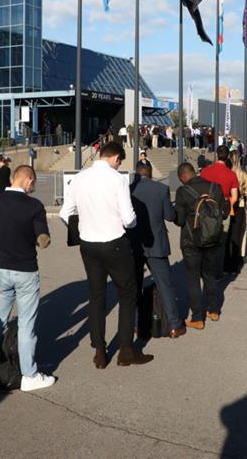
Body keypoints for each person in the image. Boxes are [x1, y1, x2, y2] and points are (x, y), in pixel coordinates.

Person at [59, 142, 153, 369]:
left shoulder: (79, 178)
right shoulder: (116, 179)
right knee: (127, 293)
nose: (118, 165)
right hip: (114, 243)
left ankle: (99, 350)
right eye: (119, 162)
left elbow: (65, 212)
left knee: (96, 296)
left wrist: (81, 230)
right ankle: (126, 350)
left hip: (88, 244)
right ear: (116, 158)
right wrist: (129, 223)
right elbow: (129, 219)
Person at [0, 165, 56, 391]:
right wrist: (36, 236)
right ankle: (29, 375)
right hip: (26, 270)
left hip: (2, 270)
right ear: (29, 180)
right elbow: (43, 239)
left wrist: (1, 237)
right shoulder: (34, 206)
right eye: (33, 184)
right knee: (26, 325)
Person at [128, 165, 186, 338]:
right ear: (151, 174)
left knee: (134, 286)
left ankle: (136, 325)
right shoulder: (161, 189)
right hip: (156, 244)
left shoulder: (128, 190)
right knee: (164, 285)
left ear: (136, 174)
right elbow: (169, 216)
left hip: (134, 244)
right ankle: (174, 325)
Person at [174, 163, 226, 329]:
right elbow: (224, 213)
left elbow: (179, 220)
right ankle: (214, 310)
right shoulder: (215, 187)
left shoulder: (183, 191)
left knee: (193, 278)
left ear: (183, 176)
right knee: (210, 275)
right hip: (212, 239)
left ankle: (197, 318)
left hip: (191, 241)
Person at [200, 146, 240, 270]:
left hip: (206, 209)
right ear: (228, 157)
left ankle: (205, 267)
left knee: (205, 239)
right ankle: (217, 270)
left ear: (217, 155)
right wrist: (227, 206)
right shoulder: (231, 174)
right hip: (223, 210)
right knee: (221, 242)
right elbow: (235, 197)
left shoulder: (205, 171)